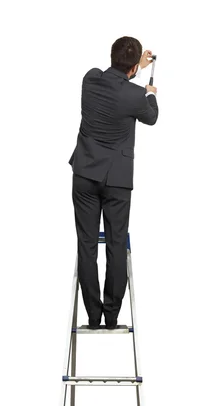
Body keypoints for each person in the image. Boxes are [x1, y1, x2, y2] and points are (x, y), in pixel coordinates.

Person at [69, 36, 158, 329]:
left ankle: (92, 317)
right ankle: (111, 316)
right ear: (133, 68)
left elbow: (115, 80)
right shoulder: (136, 96)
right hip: (117, 180)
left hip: (84, 173)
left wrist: (134, 70)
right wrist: (149, 91)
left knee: (87, 244)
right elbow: (151, 117)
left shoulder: (90, 79)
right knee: (116, 245)